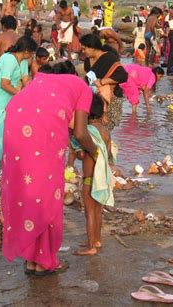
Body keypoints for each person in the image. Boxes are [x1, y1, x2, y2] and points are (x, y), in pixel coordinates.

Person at [1, 60, 97, 275]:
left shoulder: (39, 81)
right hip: (43, 129)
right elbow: (80, 132)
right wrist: (96, 152)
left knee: (27, 191)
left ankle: (31, 258)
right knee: (48, 192)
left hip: (14, 122)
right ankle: (45, 260)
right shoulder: (82, 86)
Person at [0, 36, 37, 169]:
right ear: (26, 50)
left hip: (6, 95)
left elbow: (25, 79)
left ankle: (2, 160)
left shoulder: (22, 61)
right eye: (32, 53)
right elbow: (4, 84)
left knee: (5, 126)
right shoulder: (9, 59)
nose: (32, 56)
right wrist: (21, 95)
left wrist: (34, 92)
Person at [72, 95, 114, 256]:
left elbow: (83, 156)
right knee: (97, 211)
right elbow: (109, 154)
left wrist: (77, 150)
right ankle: (96, 239)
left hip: (90, 179)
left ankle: (91, 246)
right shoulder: (105, 132)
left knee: (89, 212)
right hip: (103, 178)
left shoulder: (87, 131)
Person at [81, 33, 128, 131]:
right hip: (95, 100)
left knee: (104, 130)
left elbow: (123, 75)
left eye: (85, 48)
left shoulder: (109, 58)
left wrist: (103, 81)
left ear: (92, 47)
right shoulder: (87, 61)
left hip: (111, 99)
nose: (83, 51)